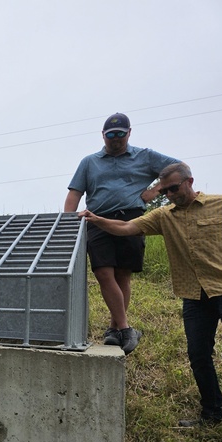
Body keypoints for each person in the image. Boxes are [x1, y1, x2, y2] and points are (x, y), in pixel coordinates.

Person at [79, 162, 222, 427]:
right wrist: (96, 219)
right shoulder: (164, 216)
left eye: (174, 188)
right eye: (164, 190)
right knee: (199, 356)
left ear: (190, 182)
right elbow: (126, 228)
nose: (170, 195)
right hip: (193, 295)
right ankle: (212, 414)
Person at [65, 113, 180, 354]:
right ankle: (126, 329)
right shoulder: (90, 162)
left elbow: (177, 169)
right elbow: (75, 193)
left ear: (129, 133)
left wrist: (154, 191)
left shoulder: (144, 156)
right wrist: (67, 221)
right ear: (103, 135)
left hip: (132, 218)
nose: (115, 139)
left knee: (122, 275)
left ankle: (114, 328)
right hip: (97, 220)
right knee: (103, 272)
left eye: (120, 134)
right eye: (110, 135)